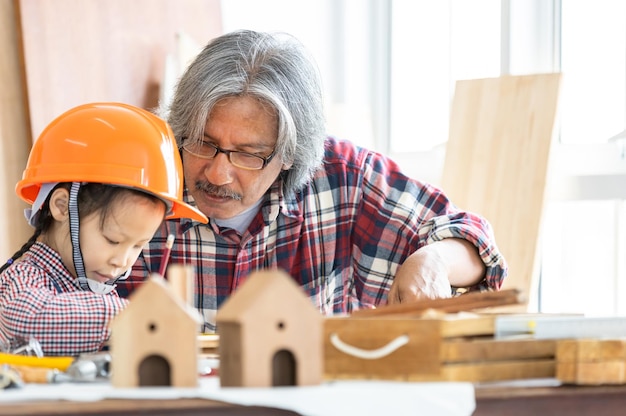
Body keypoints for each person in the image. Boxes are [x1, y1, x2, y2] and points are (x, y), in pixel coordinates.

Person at [120, 29, 508, 332]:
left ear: (290, 155)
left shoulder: (343, 179)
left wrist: (433, 260)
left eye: (249, 155)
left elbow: (472, 240)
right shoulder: (136, 178)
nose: (218, 173)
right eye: (204, 143)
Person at [0, 102, 207, 357]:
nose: (122, 261)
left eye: (137, 246)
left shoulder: (87, 287)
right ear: (62, 207)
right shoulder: (24, 279)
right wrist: (130, 314)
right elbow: (27, 322)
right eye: (112, 240)